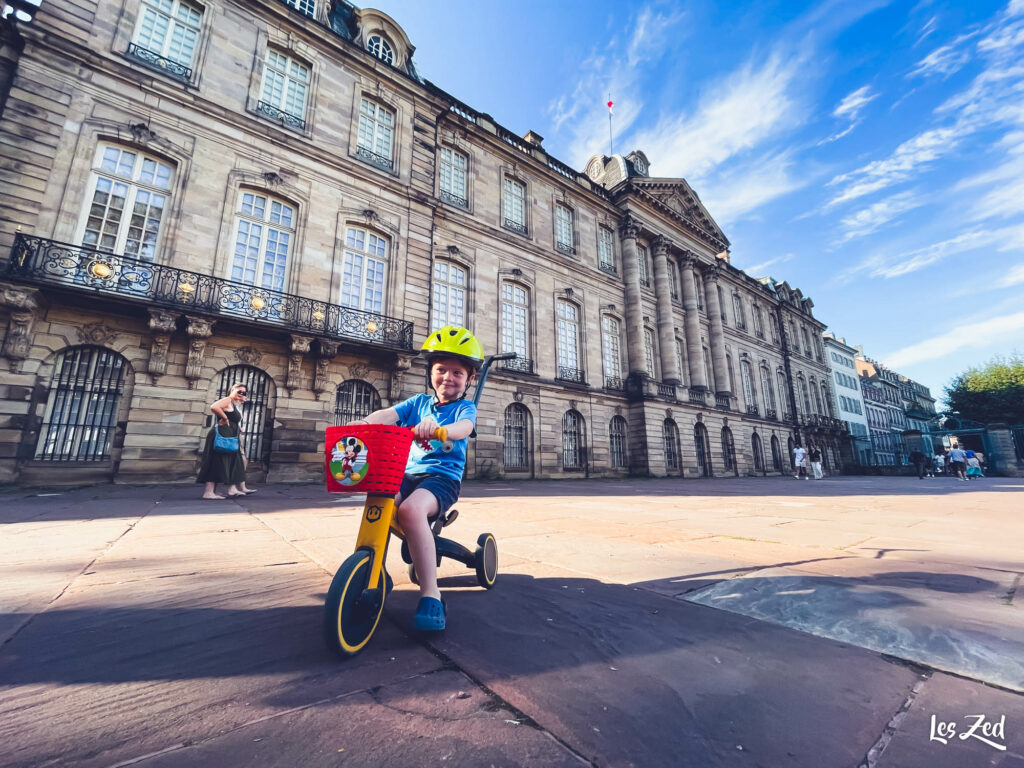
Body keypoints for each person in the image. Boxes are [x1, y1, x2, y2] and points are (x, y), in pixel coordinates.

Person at [349, 326, 482, 631]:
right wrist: (364, 422)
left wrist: (443, 430)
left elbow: (464, 427)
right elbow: (387, 414)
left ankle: (431, 595)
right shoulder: (417, 403)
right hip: (406, 473)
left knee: (410, 511)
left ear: (469, 378)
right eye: (441, 369)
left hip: (441, 479)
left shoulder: (465, 407)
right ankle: (374, 571)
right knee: (380, 498)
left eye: (457, 373)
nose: (448, 377)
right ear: (430, 372)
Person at [197, 382, 255, 499]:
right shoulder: (228, 400)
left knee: (224, 461)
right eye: (239, 391)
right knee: (216, 460)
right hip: (222, 434)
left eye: (244, 393)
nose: (241, 394)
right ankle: (208, 492)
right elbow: (214, 407)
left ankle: (217, 491)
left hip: (229, 434)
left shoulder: (234, 404)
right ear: (232, 390)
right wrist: (224, 418)